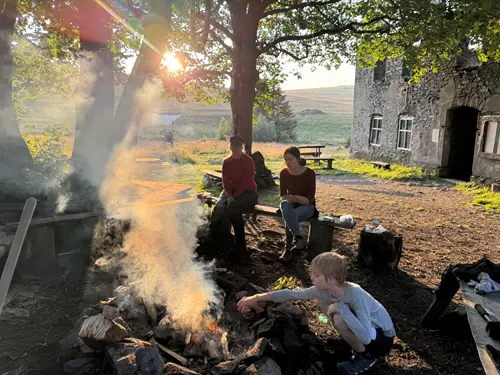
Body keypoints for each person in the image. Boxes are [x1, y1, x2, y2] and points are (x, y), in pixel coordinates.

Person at [237, 252, 396, 375]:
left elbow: (367, 336)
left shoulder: (355, 294)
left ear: (332, 279)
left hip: (382, 338)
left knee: (339, 318)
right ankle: (351, 341)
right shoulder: (324, 290)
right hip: (365, 331)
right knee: (322, 303)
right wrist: (257, 297)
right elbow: (291, 294)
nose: (311, 277)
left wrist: (338, 308)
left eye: (316, 275)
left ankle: (366, 359)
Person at [210, 135, 258, 251]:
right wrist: (229, 194)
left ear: (242, 147)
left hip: (248, 192)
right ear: (230, 147)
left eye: (238, 146)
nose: (236, 148)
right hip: (231, 191)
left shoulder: (248, 160)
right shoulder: (226, 162)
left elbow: (246, 181)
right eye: (233, 146)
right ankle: (214, 236)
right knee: (218, 208)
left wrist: (234, 197)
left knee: (233, 208)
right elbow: (225, 181)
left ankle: (240, 244)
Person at [279, 146, 317, 261]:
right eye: (285, 160)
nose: (287, 162)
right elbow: (283, 196)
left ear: (298, 158)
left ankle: (288, 248)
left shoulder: (309, 173)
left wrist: (299, 199)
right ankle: (298, 237)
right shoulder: (284, 173)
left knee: (290, 215)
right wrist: (296, 198)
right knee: (285, 205)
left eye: (290, 159)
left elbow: (309, 198)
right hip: (291, 204)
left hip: (307, 207)